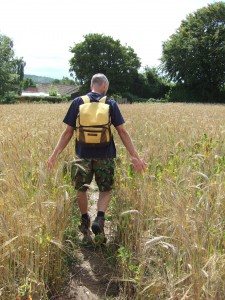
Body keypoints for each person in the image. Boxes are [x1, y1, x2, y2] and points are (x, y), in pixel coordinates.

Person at [47, 73, 146, 242]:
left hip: (82, 155)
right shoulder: (110, 104)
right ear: (104, 86)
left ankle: (85, 220)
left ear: (91, 85)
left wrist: (54, 155)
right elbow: (122, 132)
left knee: (81, 189)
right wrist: (135, 157)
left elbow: (68, 132)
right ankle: (100, 218)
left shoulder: (78, 102)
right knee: (105, 189)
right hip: (105, 155)